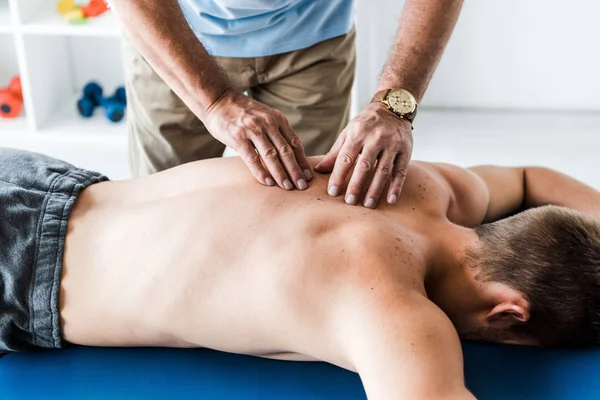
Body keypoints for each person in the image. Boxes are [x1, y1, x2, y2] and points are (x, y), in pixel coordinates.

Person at [2, 147, 600, 399]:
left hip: (45, 182)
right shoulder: (395, 312)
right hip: (17, 271)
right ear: (508, 312)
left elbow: (527, 178)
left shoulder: (423, 185)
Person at [110, 0, 464, 208]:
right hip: (174, 31)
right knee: (159, 205)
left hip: (316, 33)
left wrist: (393, 106)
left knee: (307, 204)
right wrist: (215, 103)